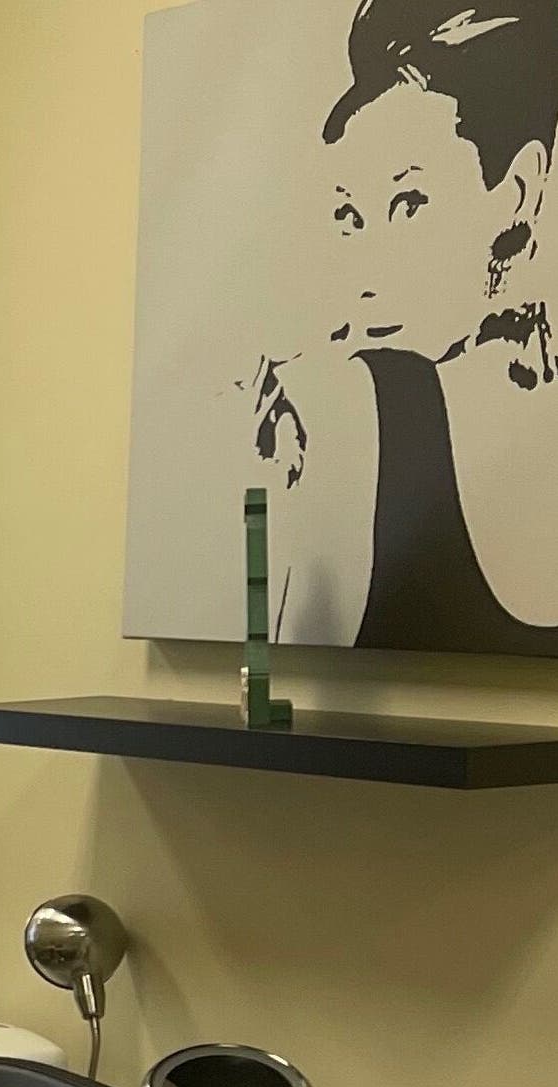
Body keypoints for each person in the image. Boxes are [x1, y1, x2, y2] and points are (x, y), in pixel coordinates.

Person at [249, 0, 558, 650]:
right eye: (349, 218)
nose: (365, 272)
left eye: (408, 203)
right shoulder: (341, 411)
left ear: (519, 190)